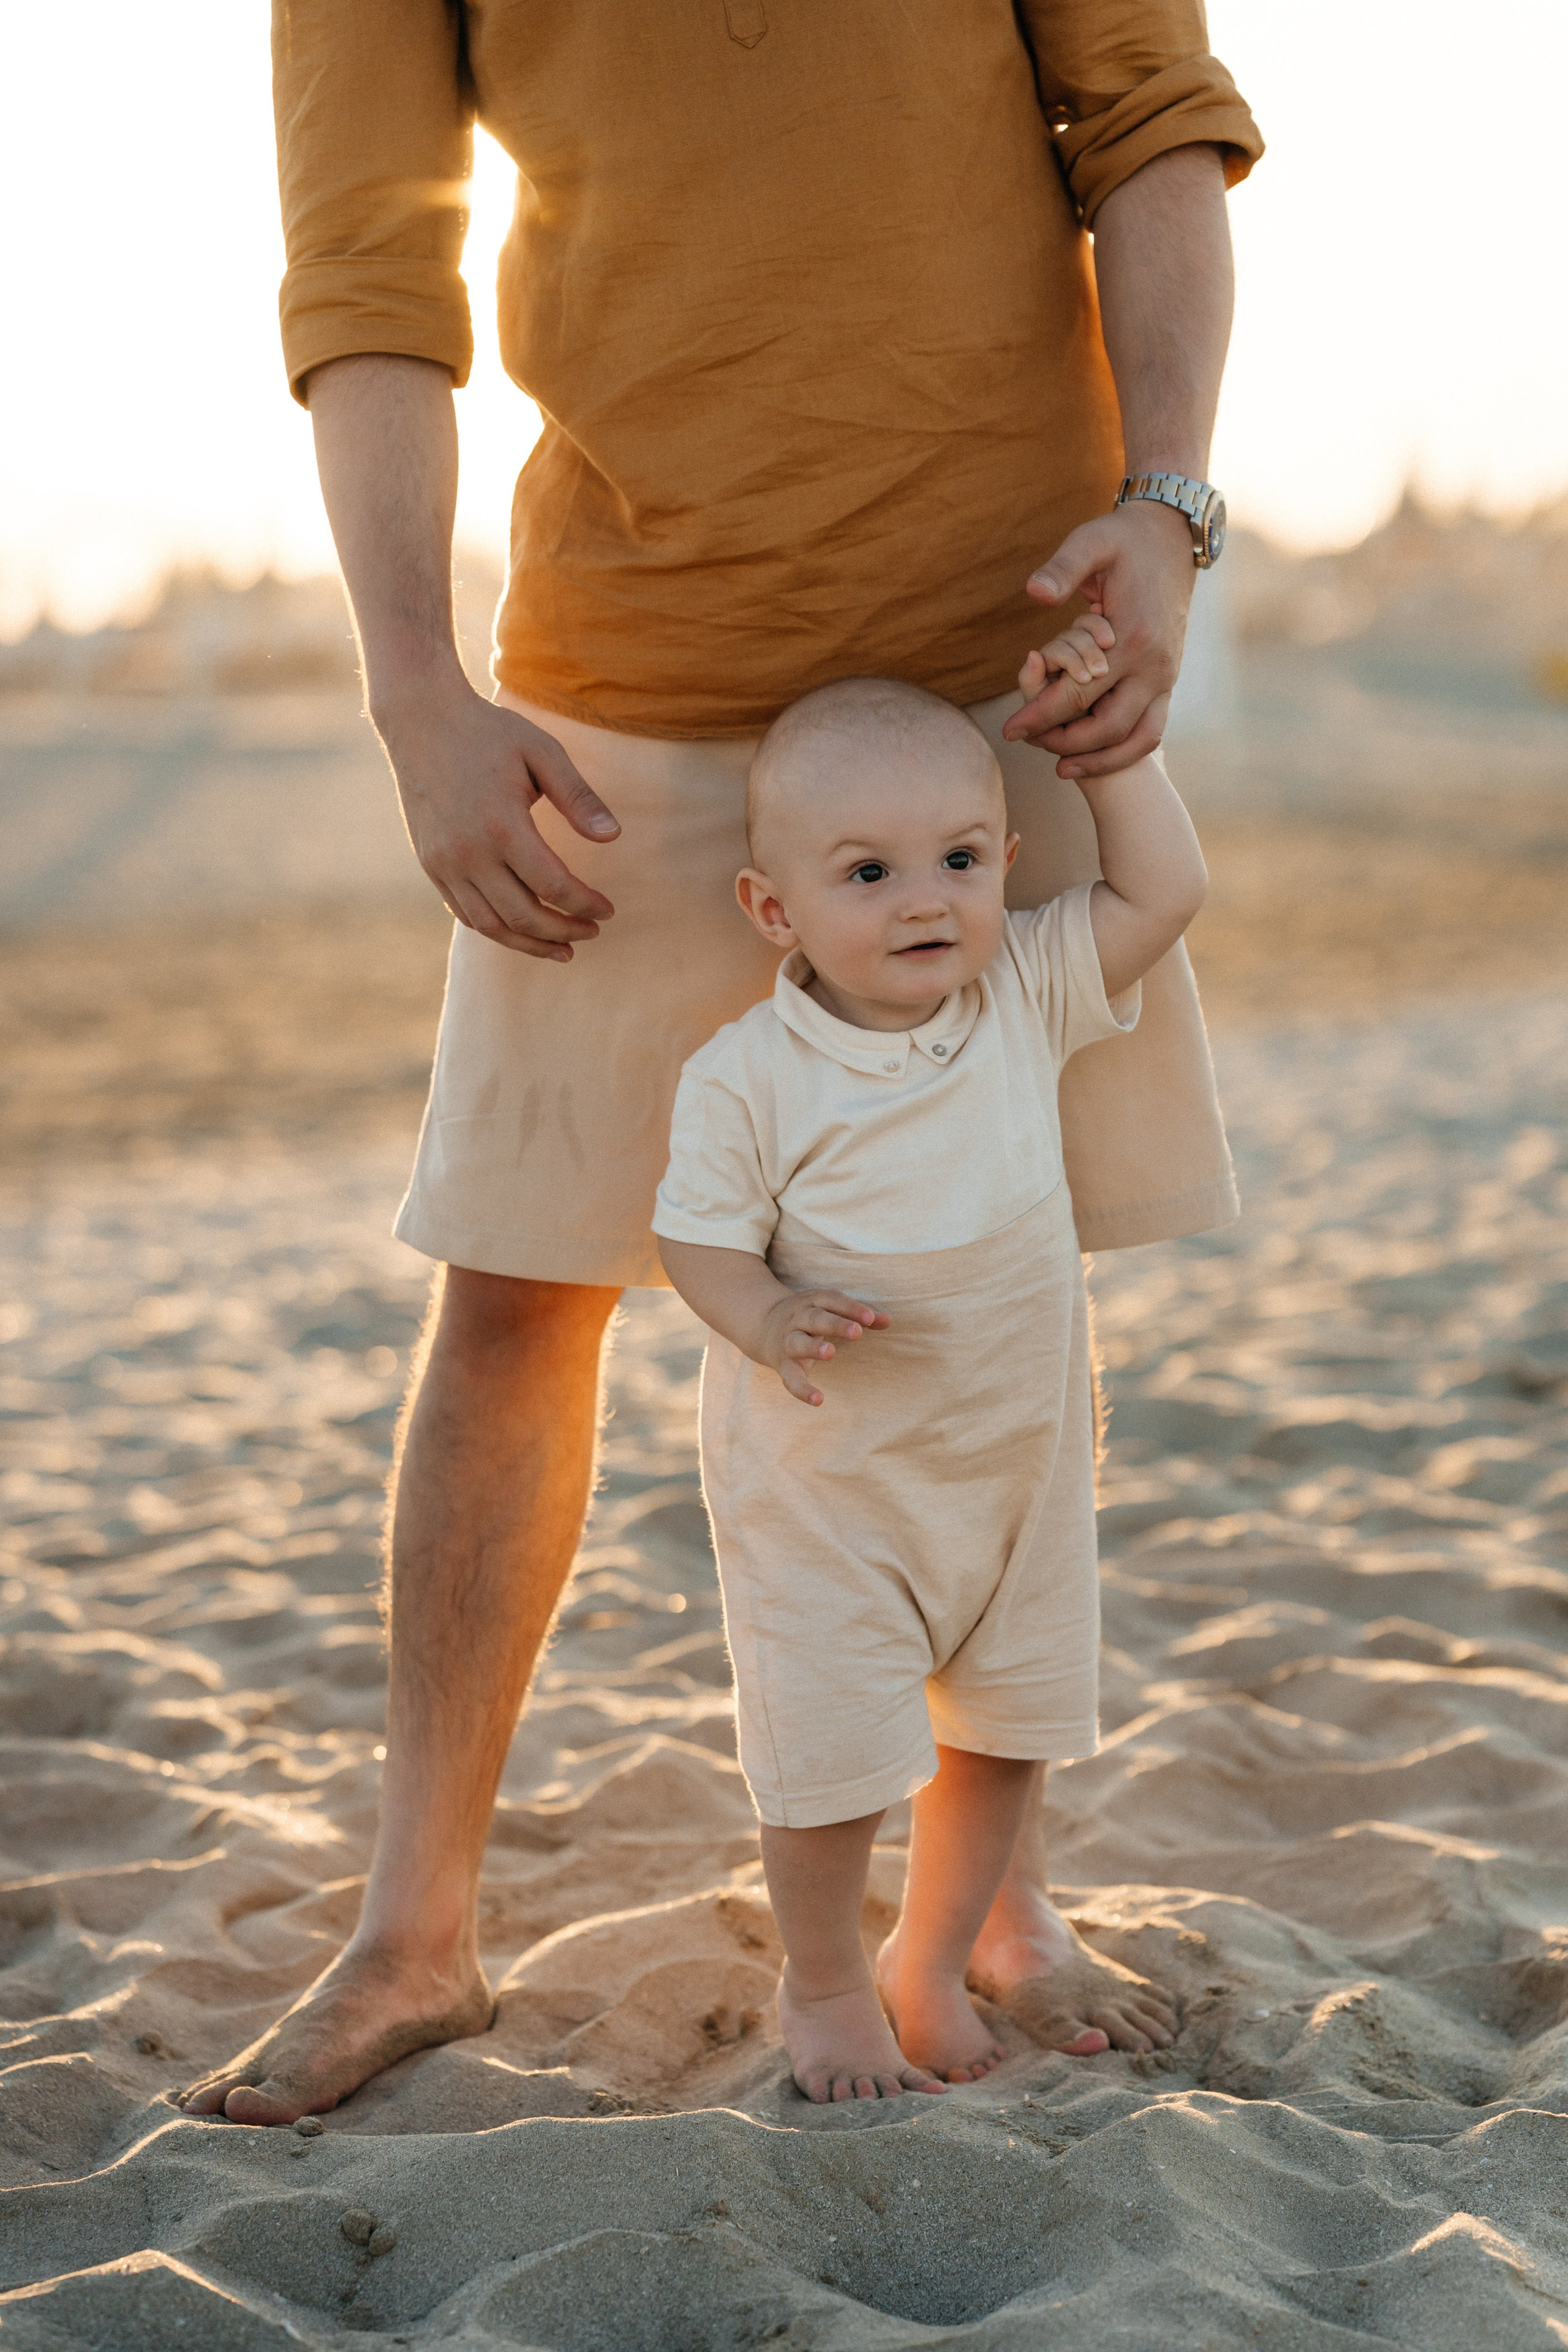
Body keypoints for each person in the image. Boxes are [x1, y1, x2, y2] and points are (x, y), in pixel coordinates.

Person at [179, 2, 1261, 2124]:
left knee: (999, 1281)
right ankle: (415, 1936)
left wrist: (1168, 506)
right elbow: (368, 270)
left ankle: (996, 1903)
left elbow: (1152, 123)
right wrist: (416, 693)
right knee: (512, 1299)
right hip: (618, 694)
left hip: (1007, 674)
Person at [653, 660, 1208, 2101]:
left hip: (1012, 1476)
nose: (923, 901)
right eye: (867, 872)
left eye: (960, 860)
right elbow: (695, 1239)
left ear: (1006, 865)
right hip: (832, 1492)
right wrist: (765, 1321)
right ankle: (828, 1983)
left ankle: (931, 1953)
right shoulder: (748, 1073)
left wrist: (1111, 764)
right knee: (832, 1762)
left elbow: (1162, 897)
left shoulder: (1020, 984)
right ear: (773, 909)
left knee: (1003, 1736)